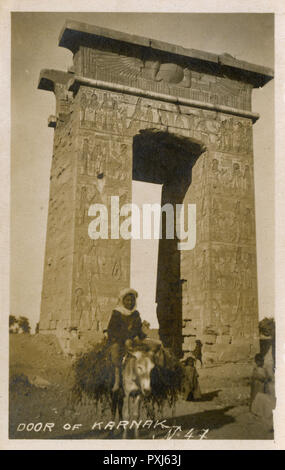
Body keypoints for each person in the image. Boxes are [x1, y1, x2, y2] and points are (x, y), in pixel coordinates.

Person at [107, 288, 147, 392]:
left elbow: (138, 328)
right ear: (122, 301)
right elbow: (112, 329)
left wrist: (141, 335)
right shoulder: (117, 313)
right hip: (119, 340)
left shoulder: (135, 314)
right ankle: (117, 378)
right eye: (127, 300)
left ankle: (144, 379)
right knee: (115, 352)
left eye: (132, 300)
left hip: (132, 340)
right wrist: (124, 338)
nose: (130, 302)